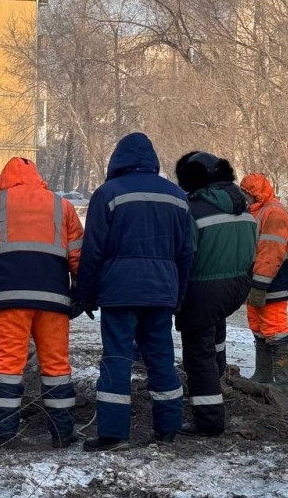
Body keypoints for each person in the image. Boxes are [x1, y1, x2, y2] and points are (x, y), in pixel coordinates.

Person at [74, 132, 195, 452]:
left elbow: (93, 251)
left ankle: (114, 434)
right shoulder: (177, 197)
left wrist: (85, 294)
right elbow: (186, 253)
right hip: (161, 292)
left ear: (118, 160)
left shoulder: (108, 194)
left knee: (116, 359)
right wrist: (178, 295)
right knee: (162, 360)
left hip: (119, 293)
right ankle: (168, 428)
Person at [0, 157, 84, 448]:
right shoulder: (62, 206)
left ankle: (3, 433)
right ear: (38, 177)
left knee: (8, 366)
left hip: (10, 300)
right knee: (56, 366)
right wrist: (80, 291)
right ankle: (63, 432)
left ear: (4, 179)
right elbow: (79, 256)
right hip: (54, 300)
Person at [173, 152, 256, 437]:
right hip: (237, 286)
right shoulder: (242, 205)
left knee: (198, 354)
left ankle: (209, 421)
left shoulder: (194, 208)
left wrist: (177, 295)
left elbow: (186, 254)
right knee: (215, 339)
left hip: (203, 288)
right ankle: (219, 388)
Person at [239, 173, 288, 395]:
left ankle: (281, 385)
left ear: (254, 194)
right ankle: (263, 374)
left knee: (275, 328)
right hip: (263, 279)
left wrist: (259, 286)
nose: (244, 198)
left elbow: (270, 254)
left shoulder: (273, 213)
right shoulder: (257, 211)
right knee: (258, 326)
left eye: (246, 194)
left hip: (276, 280)